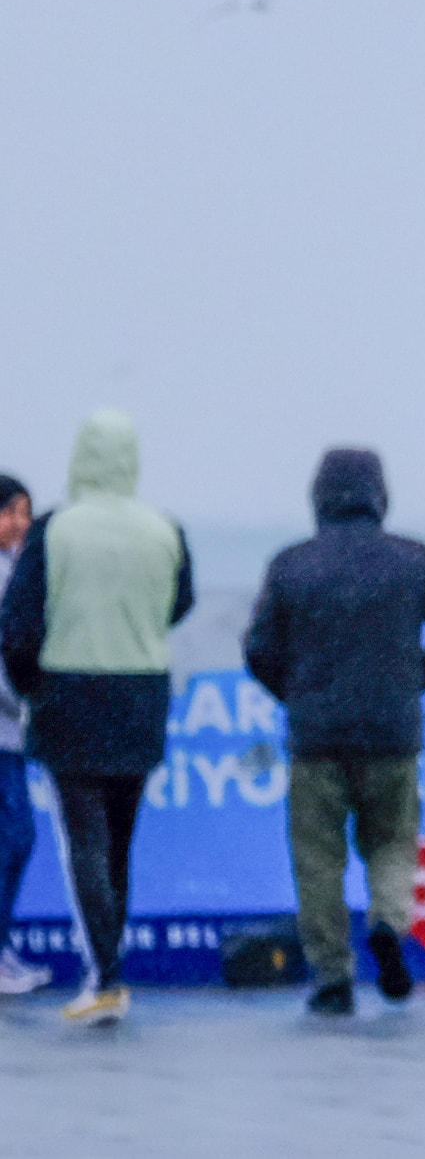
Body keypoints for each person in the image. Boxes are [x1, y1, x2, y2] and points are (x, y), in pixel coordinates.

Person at [244, 447, 425, 1017]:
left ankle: (332, 978)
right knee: (392, 843)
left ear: (318, 497)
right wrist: (418, 676)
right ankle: (388, 923)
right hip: (392, 734)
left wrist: (297, 693)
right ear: (380, 496)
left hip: (316, 739)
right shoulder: (412, 559)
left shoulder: (291, 564)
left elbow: (258, 650)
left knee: (318, 860)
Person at [0, 411, 195, 1025]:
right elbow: (181, 601)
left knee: (82, 839)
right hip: (143, 694)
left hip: (70, 694)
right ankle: (112, 965)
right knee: (119, 841)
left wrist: (34, 689)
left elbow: (17, 624)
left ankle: (104, 976)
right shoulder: (165, 527)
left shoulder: (54, 528)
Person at [0, 474, 52, 996]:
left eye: (25, 512)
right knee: (14, 838)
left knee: (16, 839)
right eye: (10, 512)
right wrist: (28, 700)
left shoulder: (18, 569)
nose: (21, 523)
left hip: (11, 735)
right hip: (5, 730)